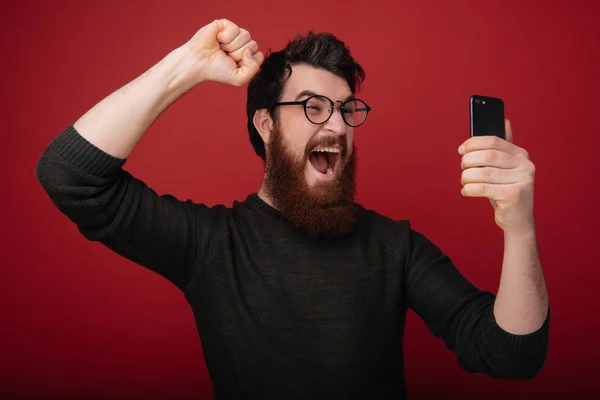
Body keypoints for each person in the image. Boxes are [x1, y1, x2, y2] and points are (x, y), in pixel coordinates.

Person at [36, 18, 550, 399]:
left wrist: (519, 226)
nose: (336, 127)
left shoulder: (396, 247)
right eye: (313, 107)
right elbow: (70, 176)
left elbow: (510, 355)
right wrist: (183, 69)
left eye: (347, 109)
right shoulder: (212, 244)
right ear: (265, 126)